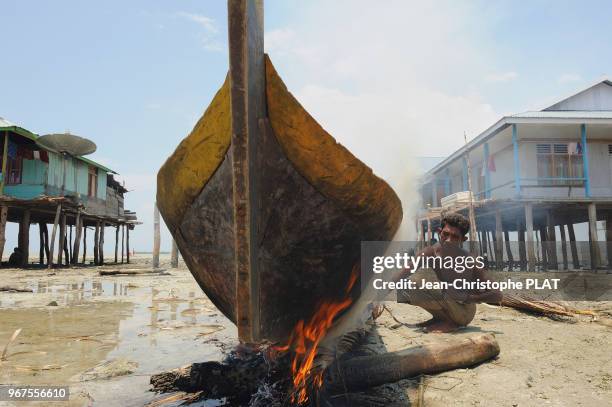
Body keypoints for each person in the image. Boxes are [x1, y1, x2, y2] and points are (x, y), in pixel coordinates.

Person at [397, 213, 502, 333]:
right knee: (409, 284)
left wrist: (468, 298)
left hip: (464, 312)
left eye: (455, 237)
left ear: (463, 239)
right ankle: (440, 319)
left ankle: (450, 323)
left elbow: (497, 294)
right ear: (439, 232)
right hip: (449, 304)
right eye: (445, 234)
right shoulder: (429, 253)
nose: (448, 240)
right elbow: (402, 274)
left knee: (441, 287)